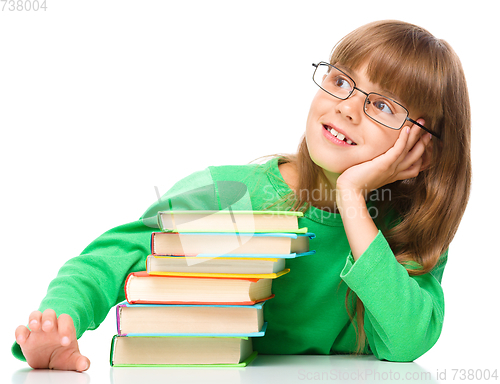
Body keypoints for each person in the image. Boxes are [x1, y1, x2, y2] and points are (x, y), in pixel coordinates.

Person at [13, 20, 471, 371]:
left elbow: (407, 342)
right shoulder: (232, 191)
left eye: (383, 105)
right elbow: (119, 253)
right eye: (341, 81)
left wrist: (353, 198)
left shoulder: (405, 231)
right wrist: (61, 318)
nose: (347, 107)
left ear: (423, 151)